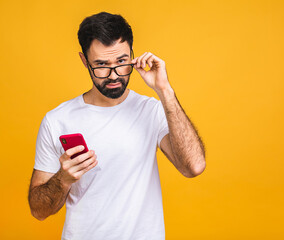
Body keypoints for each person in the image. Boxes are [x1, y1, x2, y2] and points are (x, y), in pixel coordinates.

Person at [27, 12, 206, 240]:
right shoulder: (57, 120)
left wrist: (165, 90)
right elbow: (38, 210)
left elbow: (194, 167)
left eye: (122, 62)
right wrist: (63, 179)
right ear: (84, 61)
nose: (114, 76)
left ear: (132, 54)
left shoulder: (151, 110)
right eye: (101, 65)